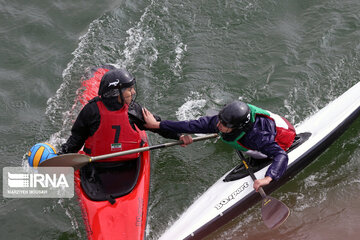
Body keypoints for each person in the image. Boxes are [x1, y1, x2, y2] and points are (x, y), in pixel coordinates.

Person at [142, 100, 296, 191]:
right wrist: (157, 125)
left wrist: (268, 178)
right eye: (220, 121)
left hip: (283, 140)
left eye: (224, 124)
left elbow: (281, 155)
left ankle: (259, 159)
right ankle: (229, 137)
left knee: (260, 151)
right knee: (205, 126)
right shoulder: (223, 120)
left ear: (238, 127)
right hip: (258, 129)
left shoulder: (258, 137)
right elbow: (190, 125)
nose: (218, 125)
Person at [59, 67, 187, 158]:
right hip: (98, 163)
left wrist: (179, 135)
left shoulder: (132, 110)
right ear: (116, 92)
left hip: (128, 162)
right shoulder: (91, 111)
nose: (134, 92)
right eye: (129, 89)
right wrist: (62, 155)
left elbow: (157, 125)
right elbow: (77, 138)